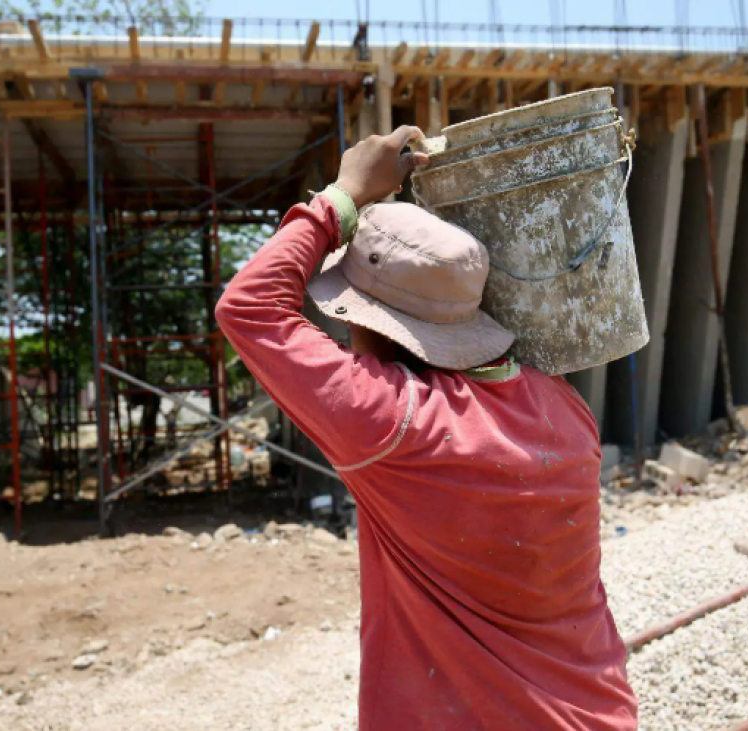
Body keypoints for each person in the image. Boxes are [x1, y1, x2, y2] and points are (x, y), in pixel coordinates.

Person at [216, 126, 637, 730]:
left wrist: (342, 195)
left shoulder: (392, 425)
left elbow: (248, 307)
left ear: (373, 324)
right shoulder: (565, 409)